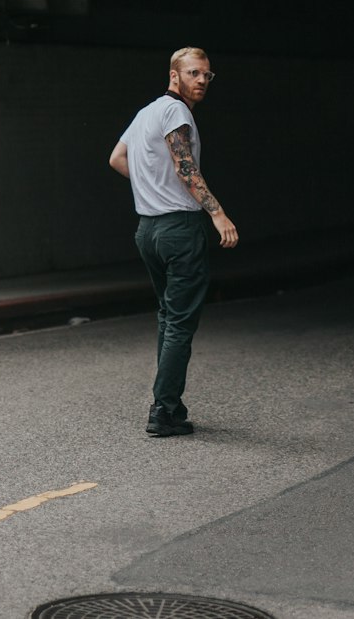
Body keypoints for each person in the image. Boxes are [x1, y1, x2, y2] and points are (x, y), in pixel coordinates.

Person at [108, 47, 238, 437]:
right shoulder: (176, 112)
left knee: (168, 315)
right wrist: (217, 213)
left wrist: (151, 187)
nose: (201, 80)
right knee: (180, 322)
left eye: (207, 75)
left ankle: (171, 406)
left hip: (147, 230)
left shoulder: (145, 113)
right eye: (194, 73)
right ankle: (163, 411)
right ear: (174, 76)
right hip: (179, 229)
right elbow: (185, 166)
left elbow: (116, 158)